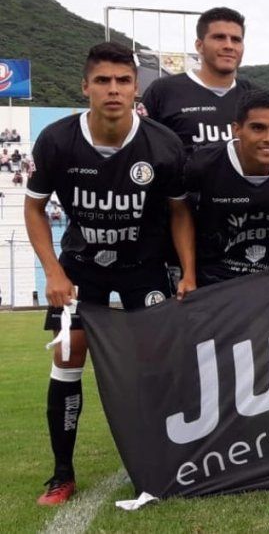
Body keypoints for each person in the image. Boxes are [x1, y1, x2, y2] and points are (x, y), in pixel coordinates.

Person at [24, 42, 195, 505]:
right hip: (83, 269)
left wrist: (188, 272)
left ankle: (164, 465)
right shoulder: (57, 140)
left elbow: (180, 212)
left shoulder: (162, 143)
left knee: (157, 364)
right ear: (86, 87)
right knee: (68, 358)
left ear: (136, 88)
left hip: (145, 267)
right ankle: (62, 475)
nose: (113, 89)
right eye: (103, 80)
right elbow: (35, 208)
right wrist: (53, 272)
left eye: (123, 81)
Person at [185, 89, 269, 285]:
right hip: (218, 275)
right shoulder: (203, 164)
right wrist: (188, 273)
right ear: (236, 129)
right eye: (258, 128)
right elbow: (182, 212)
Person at [140, 7, 260, 154]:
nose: (229, 46)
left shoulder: (256, 97)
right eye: (219, 37)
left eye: (236, 40)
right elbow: (140, 149)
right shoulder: (163, 91)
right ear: (199, 45)